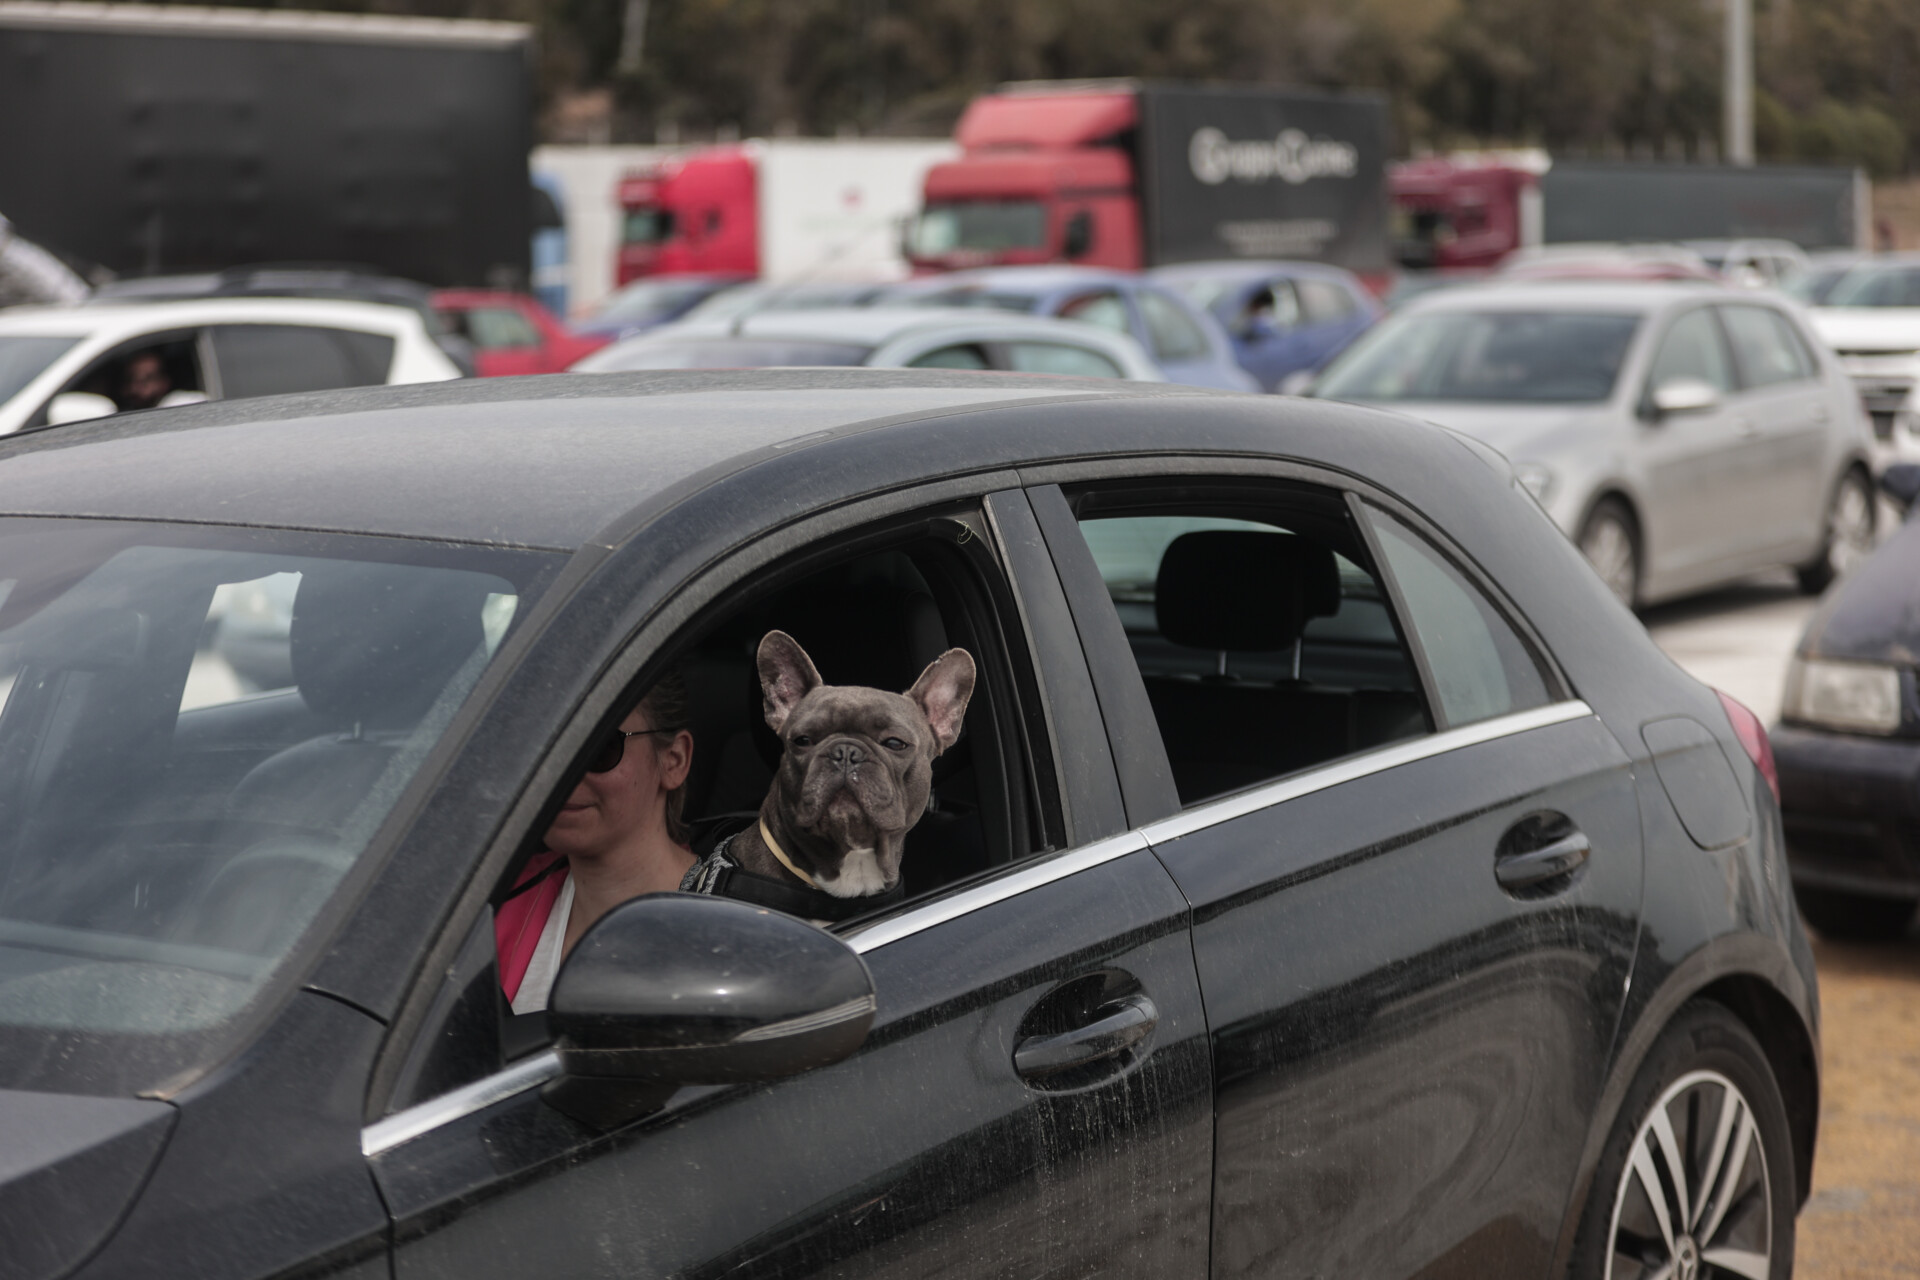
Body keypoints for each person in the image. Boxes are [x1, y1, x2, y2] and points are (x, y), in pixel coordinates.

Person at [496, 673, 695, 1013]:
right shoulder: (488, 899)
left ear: (673, 760)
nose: (564, 773)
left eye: (600, 747)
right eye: (547, 747)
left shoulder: (737, 919)